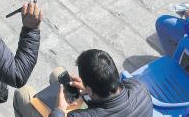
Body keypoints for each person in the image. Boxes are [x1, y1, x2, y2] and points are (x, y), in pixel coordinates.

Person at [13, 49, 151, 117]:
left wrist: (59, 110)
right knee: (58, 74)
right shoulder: (140, 88)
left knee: (23, 93)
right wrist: (89, 90)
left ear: (89, 89)